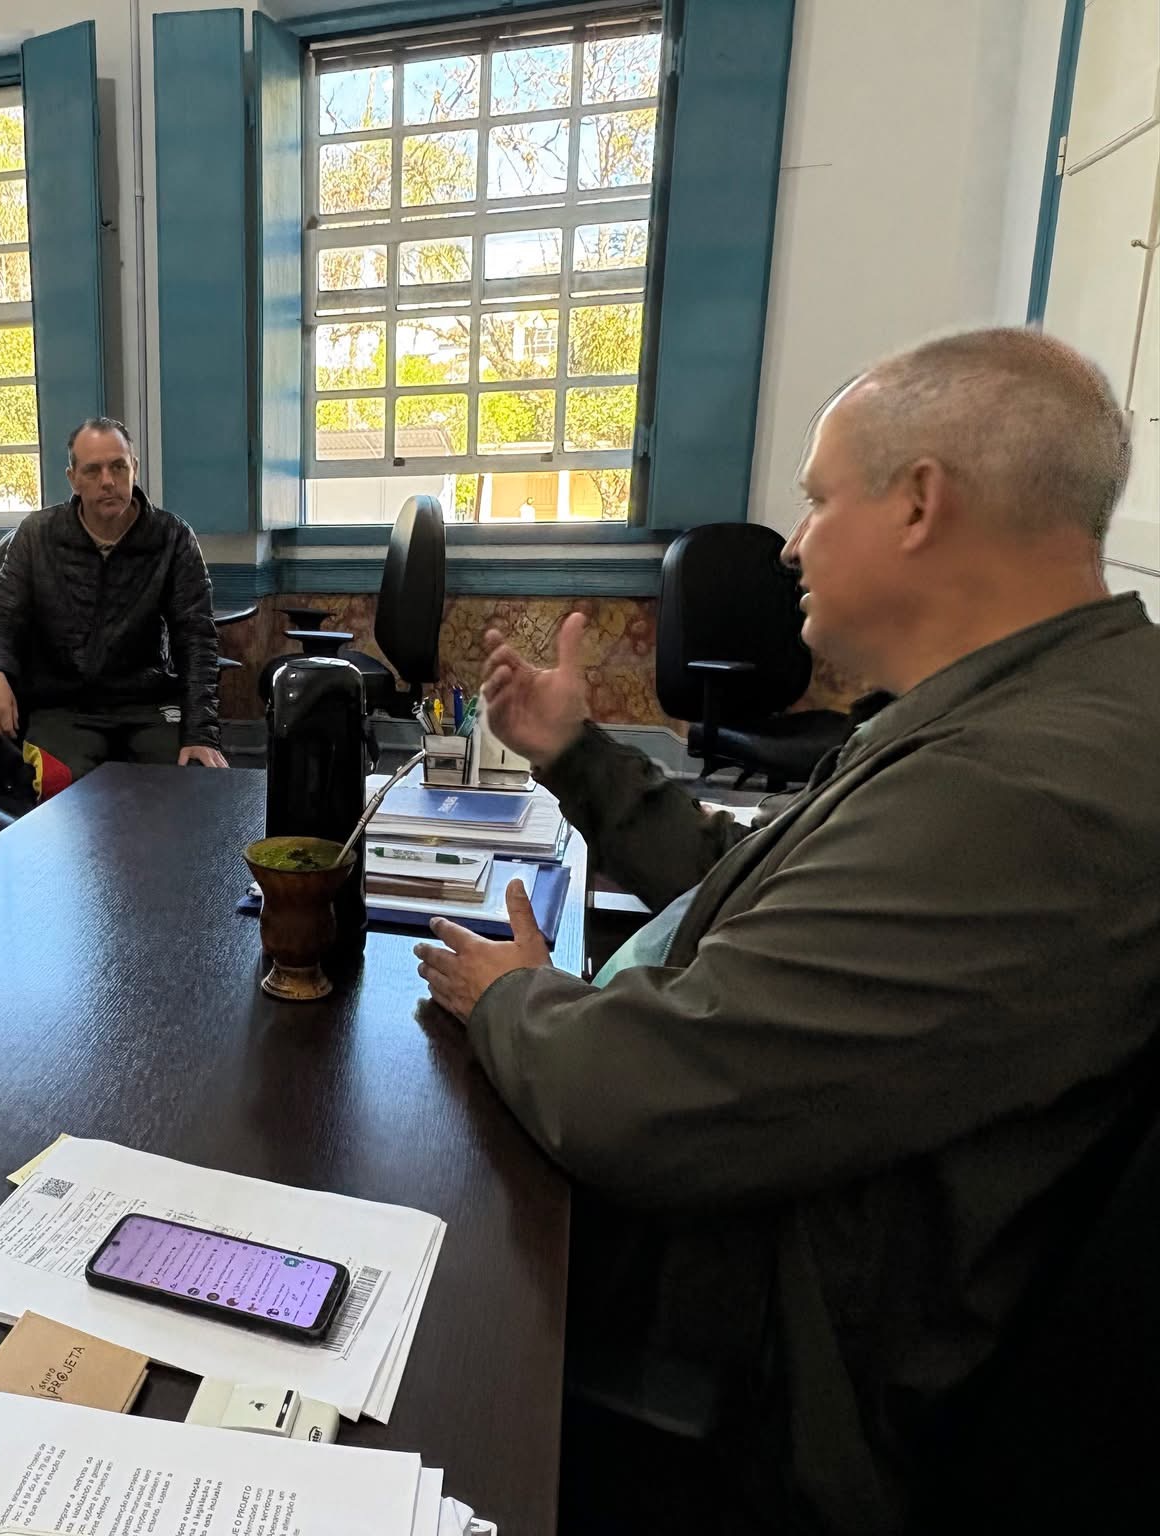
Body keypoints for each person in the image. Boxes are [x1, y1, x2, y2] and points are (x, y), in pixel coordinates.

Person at [414, 329, 1159, 1533]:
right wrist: (576, 757)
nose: (792, 546)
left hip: (761, 1376)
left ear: (917, 503)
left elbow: (639, 1098)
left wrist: (509, 995)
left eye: (815, 501)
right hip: (776, 1239)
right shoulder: (1020, 713)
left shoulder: (1019, 794)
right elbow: (766, 889)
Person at [0, 418, 226, 781]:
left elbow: (197, 639)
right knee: (60, 785)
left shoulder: (172, 537)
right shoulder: (36, 535)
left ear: (134, 468)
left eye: (118, 467)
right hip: (63, 705)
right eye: (92, 470)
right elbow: (3, 619)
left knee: (188, 783)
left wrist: (201, 732)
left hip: (147, 701)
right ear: (73, 478)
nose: (107, 481)